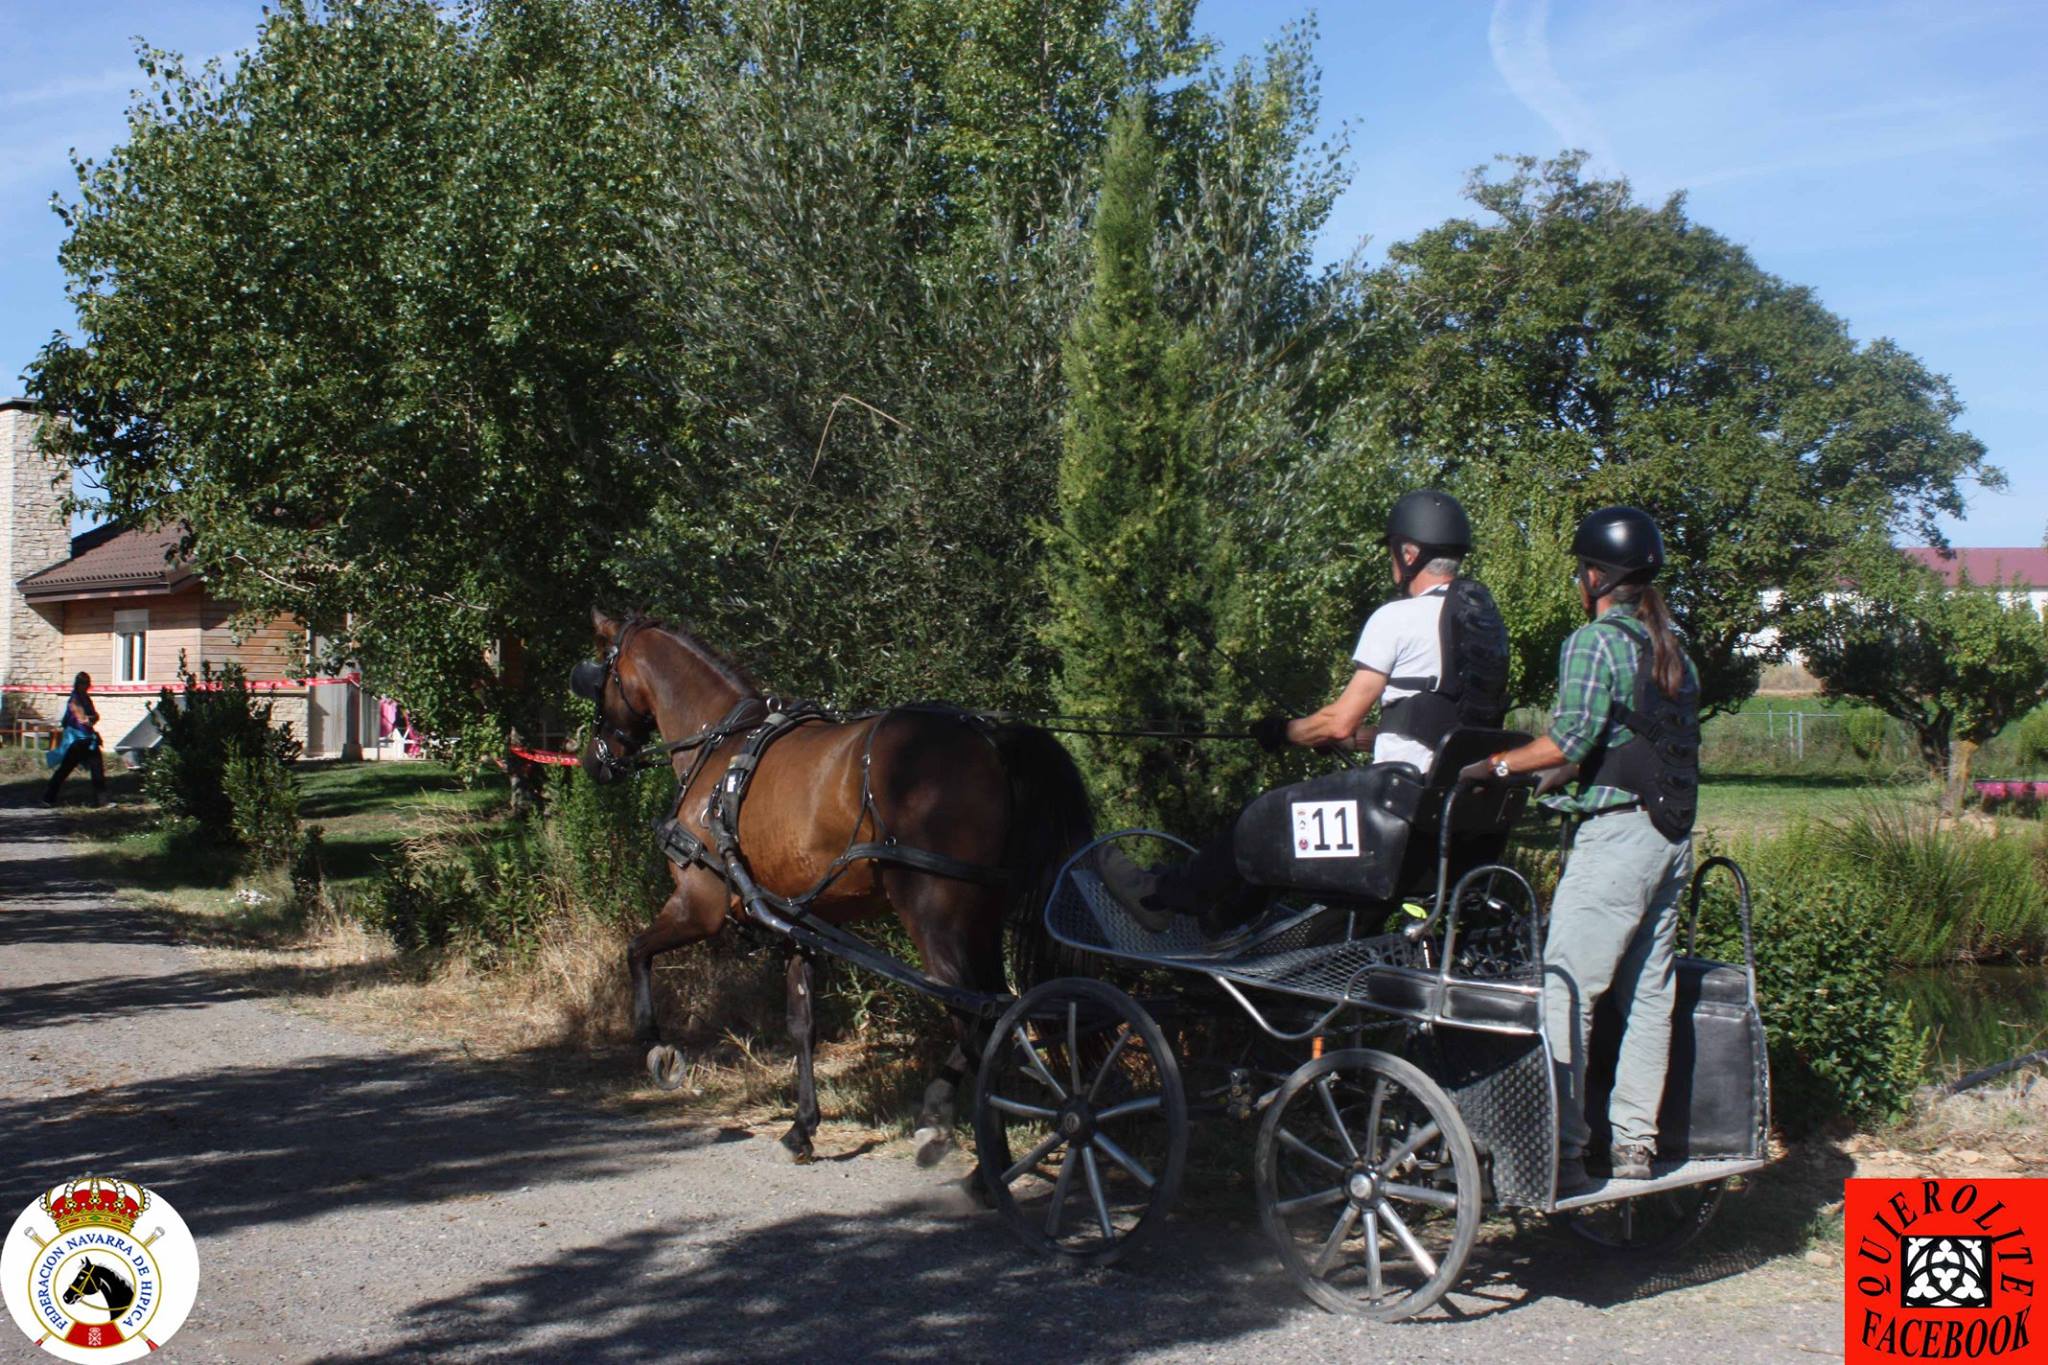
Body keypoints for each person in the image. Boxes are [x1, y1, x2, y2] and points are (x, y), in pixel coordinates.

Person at [1103, 489, 1508, 932]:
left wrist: (1285, 732)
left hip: (1395, 810)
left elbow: (1338, 719)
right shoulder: (1480, 629)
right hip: (1449, 813)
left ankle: (1159, 900)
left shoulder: (1399, 618)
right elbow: (1435, 727)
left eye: (1393, 552)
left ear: (1409, 553)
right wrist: (1358, 739)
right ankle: (1224, 924)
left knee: (1260, 821)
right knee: (1287, 835)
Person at [1456, 506, 1700, 1190]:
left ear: (1596, 575)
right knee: (1649, 993)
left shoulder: (1595, 642)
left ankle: (1559, 1149)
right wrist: (1558, 777)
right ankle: (1633, 1146)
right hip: (1671, 837)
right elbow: (1625, 741)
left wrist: (1497, 766)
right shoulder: (1671, 645)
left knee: (1566, 988)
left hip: (1619, 840)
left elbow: (1567, 740)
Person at [44, 671, 108, 807]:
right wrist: (89, 718)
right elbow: (82, 718)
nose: (85, 686)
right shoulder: (74, 699)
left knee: (97, 768)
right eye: (83, 684)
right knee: (65, 769)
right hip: (77, 740)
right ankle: (48, 798)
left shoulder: (86, 698)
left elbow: (94, 716)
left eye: (87, 684)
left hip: (88, 738)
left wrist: (91, 718)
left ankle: (101, 800)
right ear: (78, 684)